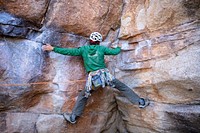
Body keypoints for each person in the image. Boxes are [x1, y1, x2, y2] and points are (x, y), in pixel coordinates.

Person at [42, 32, 150, 124]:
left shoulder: (83, 49)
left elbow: (68, 52)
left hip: (93, 79)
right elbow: (115, 52)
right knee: (122, 87)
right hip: (106, 76)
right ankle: (140, 102)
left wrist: (52, 48)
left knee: (83, 96)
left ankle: (73, 117)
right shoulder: (101, 49)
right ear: (98, 42)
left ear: (90, 40)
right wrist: (118, 47)